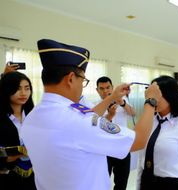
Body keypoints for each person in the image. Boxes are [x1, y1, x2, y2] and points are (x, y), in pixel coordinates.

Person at [20, 39, 162, 190]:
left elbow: (85, 118)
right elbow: (138, 141)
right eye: (83, 80)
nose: (82, 86)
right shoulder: (78, 120)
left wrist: (112, 97)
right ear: (70, 79)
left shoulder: (32, 117)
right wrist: (151, 100)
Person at [137, 76, 178, 190]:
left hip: (172, 185)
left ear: (170, 95)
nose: (152, 99)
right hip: (147, 182)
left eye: (156, 95)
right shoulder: (148, 122)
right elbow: (141, 160)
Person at [96, 76, 135, 190]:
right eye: (101, 88)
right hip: (103, 150)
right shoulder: (95, 106)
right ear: (97, 90)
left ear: (112, 88)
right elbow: (95, 126)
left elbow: (133, 113)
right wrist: (109, 116)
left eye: (108, 87)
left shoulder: (122, 101)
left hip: (122, 147)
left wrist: (122, 103)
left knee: (121, 183)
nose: (105, 91)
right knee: (102, 182)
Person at [0, 71, 36, 190]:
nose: (23, 93)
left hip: (34, 175)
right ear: (6, 90)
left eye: (27, 88)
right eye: (17, 89)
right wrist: (20, 153)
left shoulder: (34, 115)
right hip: (7, 177)